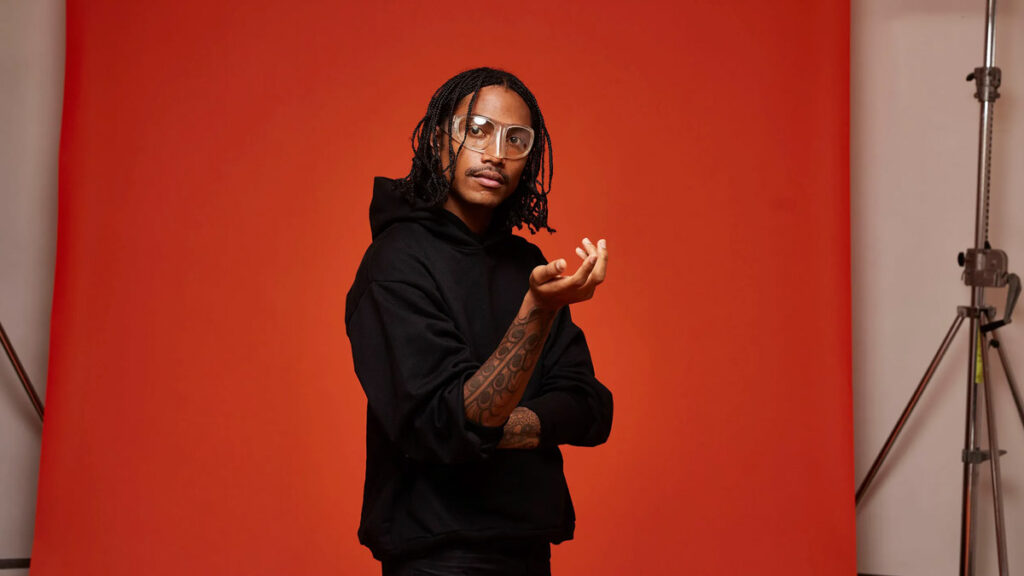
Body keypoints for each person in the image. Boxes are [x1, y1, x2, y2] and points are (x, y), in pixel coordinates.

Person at [345, 67, 613, 576]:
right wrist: (537, 312)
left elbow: (589, 407)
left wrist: (485, 430)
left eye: (516, 139)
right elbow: (448, 423)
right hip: (436, 558)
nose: (496, 154)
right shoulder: (396, 262)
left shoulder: (525, 263)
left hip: (528, 550)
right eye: (477, 130)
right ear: (437, 140)